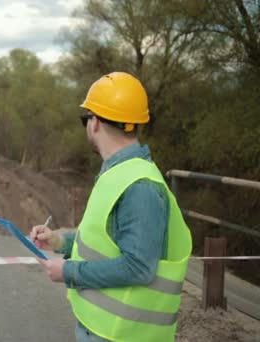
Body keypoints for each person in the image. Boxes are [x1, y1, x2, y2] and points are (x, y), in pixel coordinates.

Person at [31, 72, 192, 342]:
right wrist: (59, 240)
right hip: (101, 329)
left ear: (94, 123)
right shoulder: (118, 174)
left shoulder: (139, 186)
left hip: (123, 335)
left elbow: (139, 268)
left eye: (86, 118)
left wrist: (68, 272)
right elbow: (104, 242)